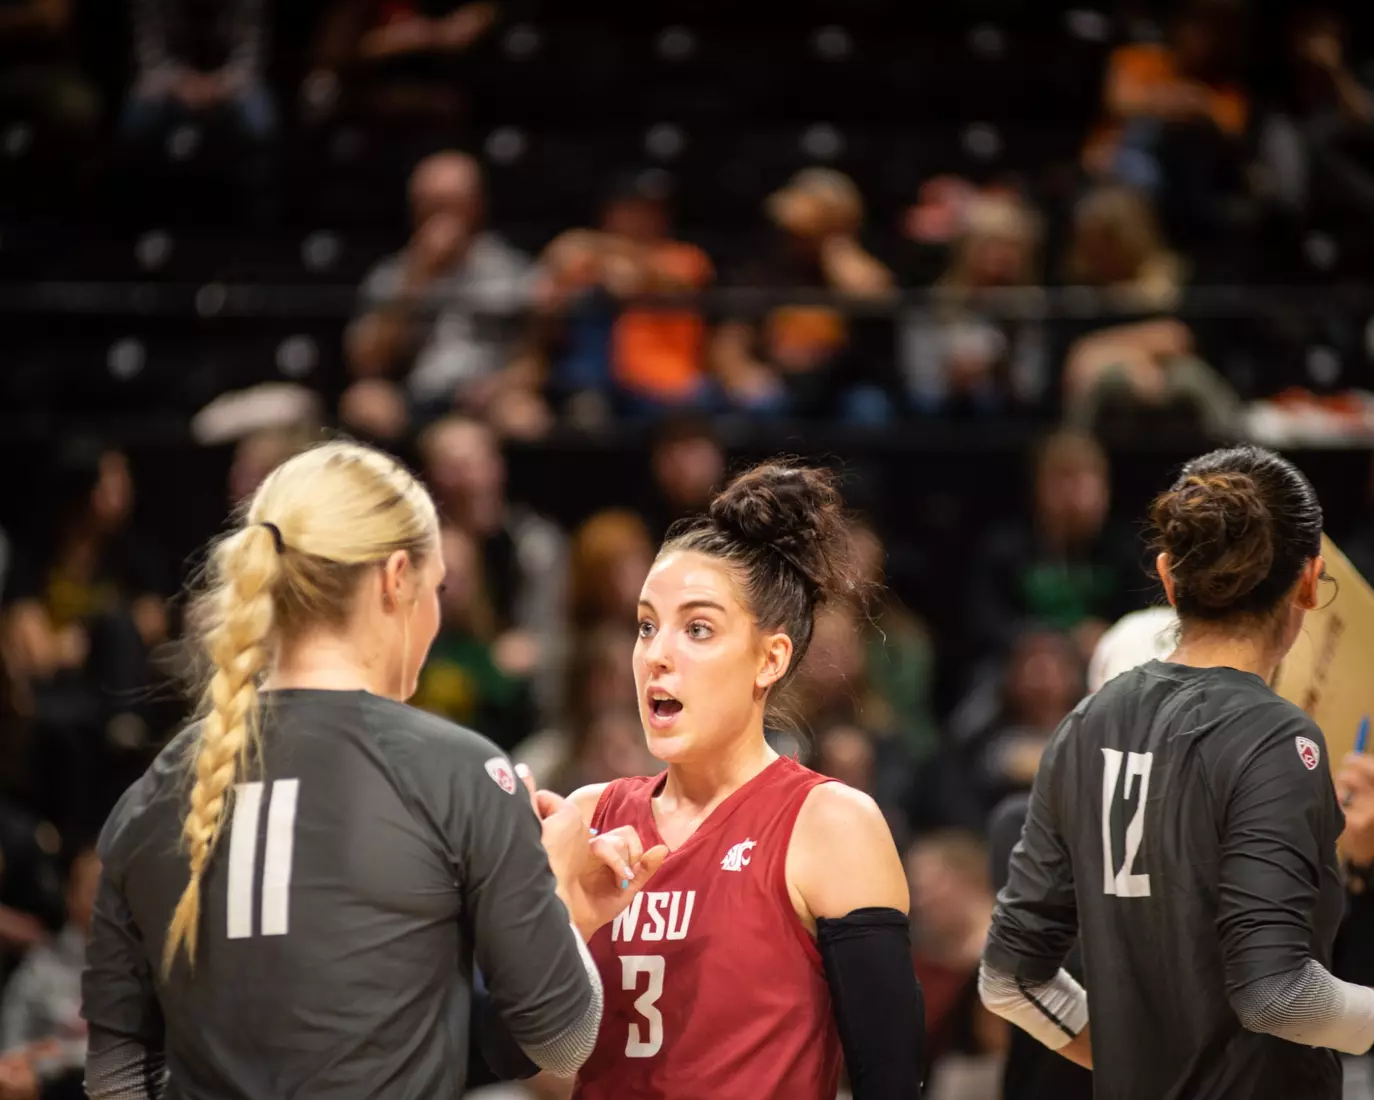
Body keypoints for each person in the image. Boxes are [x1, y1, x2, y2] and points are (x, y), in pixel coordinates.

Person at [79, 440, 666, 1099]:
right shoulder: (457, 770)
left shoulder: (151, 792)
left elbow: (114, 1079)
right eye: (435, 586)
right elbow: (561, 1037)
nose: (438, 613)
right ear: (394, 580)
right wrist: (555, 891)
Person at [979, 444, 1374, 1099]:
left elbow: (1011, 979)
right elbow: (1275, 996)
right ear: (1309, 581)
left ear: (1167, 576)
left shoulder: (1087, 723)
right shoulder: (1276, 735)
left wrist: (1140, 1062)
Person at [564, 462, 925, 1099]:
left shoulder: (830, 823)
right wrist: (547, 928)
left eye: (697, 628)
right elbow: (506, 1049)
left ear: (770, 658)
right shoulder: (588, 816)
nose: (657, 653)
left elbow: (890, 1081)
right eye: (647, 625)